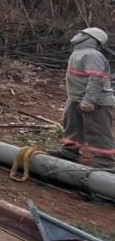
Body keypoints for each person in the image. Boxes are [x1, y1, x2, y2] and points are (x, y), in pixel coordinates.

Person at [48, 27, 115, 168]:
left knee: (98, 132)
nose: (78, 35)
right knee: (72, 126)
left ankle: (105, 164)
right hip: (76, 98)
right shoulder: (78, 53)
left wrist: (89, 100)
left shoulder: (92, 55)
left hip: (96, 101)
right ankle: (69, 152)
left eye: (82, 34)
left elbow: (96, 79)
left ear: (91, 39)